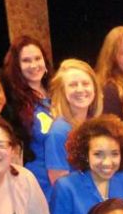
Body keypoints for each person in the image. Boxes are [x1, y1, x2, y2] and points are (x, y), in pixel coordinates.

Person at [3, 35, 54, 197]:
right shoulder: (12, 102)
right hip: (38, 182)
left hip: (68, 175)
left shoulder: (58, 91)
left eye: (38, 58)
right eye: (26, 60)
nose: (34, 65)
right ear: (16, 66)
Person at [44, 59, 102, 189]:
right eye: (73, 85)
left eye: (85, 83)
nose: (80, 89)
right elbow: (59, 184)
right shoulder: (58, 132)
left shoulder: (94, 124)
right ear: (63, 91)